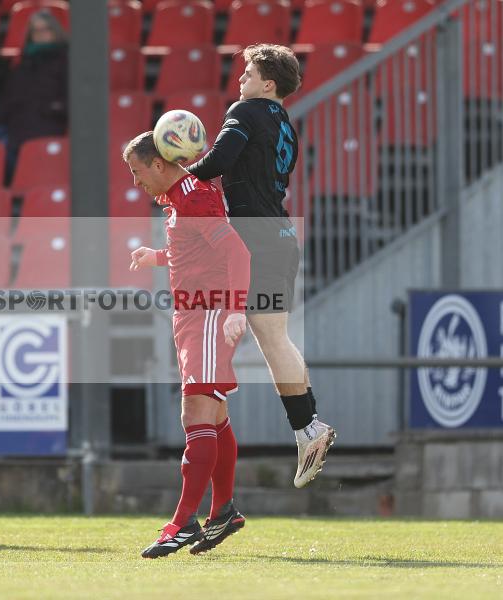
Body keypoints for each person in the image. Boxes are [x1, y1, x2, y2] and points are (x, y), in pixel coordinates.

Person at [186, 44, 336, 489]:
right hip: (279, 236)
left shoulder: (247, 111)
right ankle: (309, 426)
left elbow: (218, 162)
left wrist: (178, 177)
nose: (241, 80)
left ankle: (309, 428)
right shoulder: (283, 123)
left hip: (259, 240)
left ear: (267, 84)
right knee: (276, 337)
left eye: (248, 73)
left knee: (271, 337)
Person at [124, 132, 252, 558]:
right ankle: (223, 511)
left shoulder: (193, 197)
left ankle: (182, 522)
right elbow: (197, 249)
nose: (136, 181)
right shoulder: (182, 197)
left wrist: (235, 310)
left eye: (137, 171)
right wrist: (157, 256)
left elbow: (237, 254)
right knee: (213, 415)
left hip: (210, 313)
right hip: (193, 316)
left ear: (159, 164)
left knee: (194, 411)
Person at [0, 9, 68, 181]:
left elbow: (72, 99)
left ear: (55, 31)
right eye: (36, 30)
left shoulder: (67, 60)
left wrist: (53, 108)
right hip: (15, 127)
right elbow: (5, 102)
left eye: (46, 29)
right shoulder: (21, 65)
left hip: (48, 124)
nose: (41, 34)